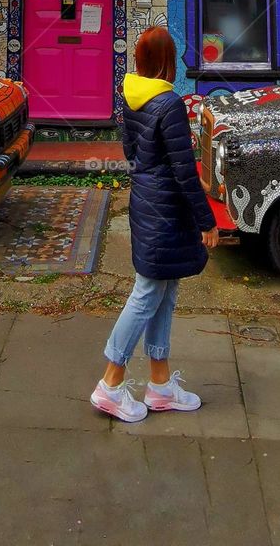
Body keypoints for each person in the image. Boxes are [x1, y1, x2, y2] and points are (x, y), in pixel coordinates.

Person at [91, 26, 219, 422]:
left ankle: (160, 385)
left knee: (165, 288)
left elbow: (136, 153)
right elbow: (182, 169)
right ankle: (110, 384)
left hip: (147, 199)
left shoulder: (130, 96)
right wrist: (207, 219)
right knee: (147, 291)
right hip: (168, 206)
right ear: (166, 61)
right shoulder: (169, 104)